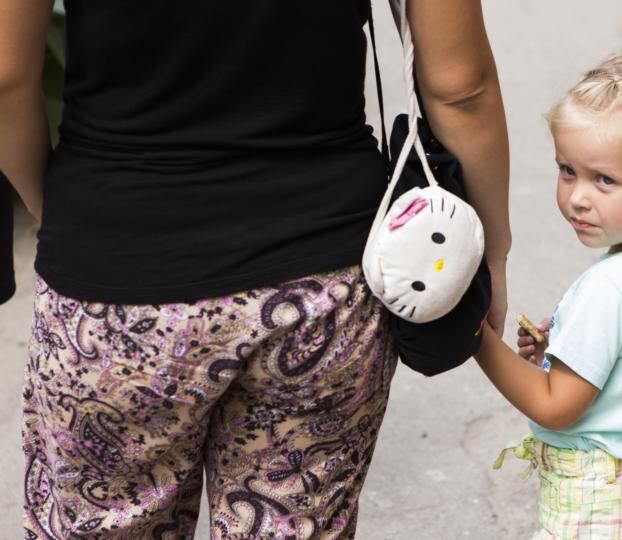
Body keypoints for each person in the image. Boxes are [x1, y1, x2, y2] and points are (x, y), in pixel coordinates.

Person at [0, 0, 510, 536]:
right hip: (321, 287)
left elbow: (7, 77)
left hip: (111, 292)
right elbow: (460, 86)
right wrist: (490, 252)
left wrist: (52, 207)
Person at [474, 49, 622, 539]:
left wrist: (474, 337)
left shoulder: (611, 286)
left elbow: (556, 407)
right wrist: (559, 357)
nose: (578, 196)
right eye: (567, 170)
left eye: (604, 179)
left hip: (598, 506)